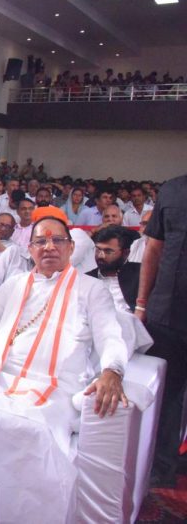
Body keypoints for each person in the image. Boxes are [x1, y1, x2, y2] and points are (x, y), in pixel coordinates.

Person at [0, 215, 128, 523]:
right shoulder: (15, 284)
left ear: (71, 248)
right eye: (40, 241)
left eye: (57, 240)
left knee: (33, 430)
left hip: (55, 387)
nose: (49, 247)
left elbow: (109, 333)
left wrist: (112, 370)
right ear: (30, 249)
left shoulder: (91, 289)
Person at [136, 174, 187, 487]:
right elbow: (154, 249)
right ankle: (162, 467)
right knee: (166, 396)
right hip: (166, 311)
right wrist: (142, 303)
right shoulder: (172, 190)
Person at [87, 225, 140, 313]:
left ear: (126, 253)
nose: (100, 256)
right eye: (98, 249)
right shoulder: (87, 278)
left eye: (108, 251)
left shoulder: (140, 276)